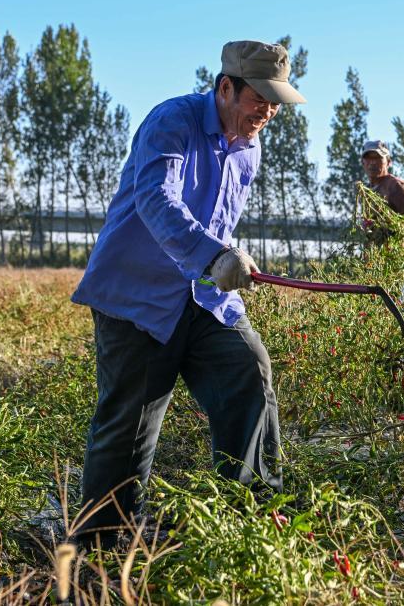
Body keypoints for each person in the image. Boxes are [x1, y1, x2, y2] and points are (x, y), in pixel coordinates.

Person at [69, 40, 306, 546]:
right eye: (258, 98)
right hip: (139, 300)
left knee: (249, 369)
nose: (266, 111)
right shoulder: (171, 121)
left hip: (202, 300)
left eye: (275, 103)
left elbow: (216, 218)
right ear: (225, 87)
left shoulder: (250, 147)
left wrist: (224, 257)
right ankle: (100, 554)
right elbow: (156, 197)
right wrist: (213, 256)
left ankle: (250, 526)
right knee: (130, 428)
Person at [360, 140, 404, 237]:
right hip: (373, 252)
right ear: (362, 162)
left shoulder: (396, 186)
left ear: (388, 162)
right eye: (368, 158)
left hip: (393, 250)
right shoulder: (366, 191)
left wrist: (392, 231)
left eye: (378, 158)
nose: (372, 162)